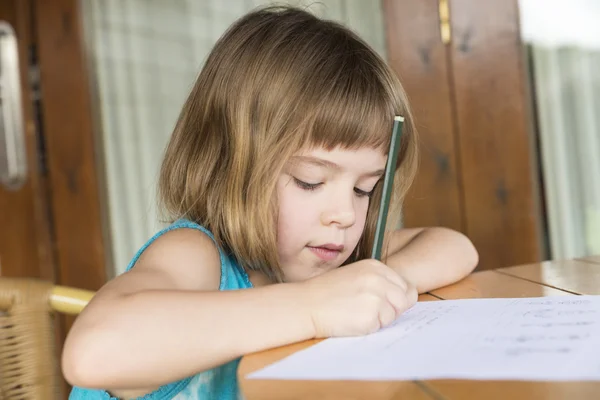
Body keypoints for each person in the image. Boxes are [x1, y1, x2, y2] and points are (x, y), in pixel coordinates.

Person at [63, 5, 478, 400]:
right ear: (229, 163)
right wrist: (314, 308)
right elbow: (94, 351)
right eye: (310, 181)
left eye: (363, 189)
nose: (345, 214)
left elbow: (454, 247)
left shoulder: (318, 264)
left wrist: (371, 288)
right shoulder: (197, 257)